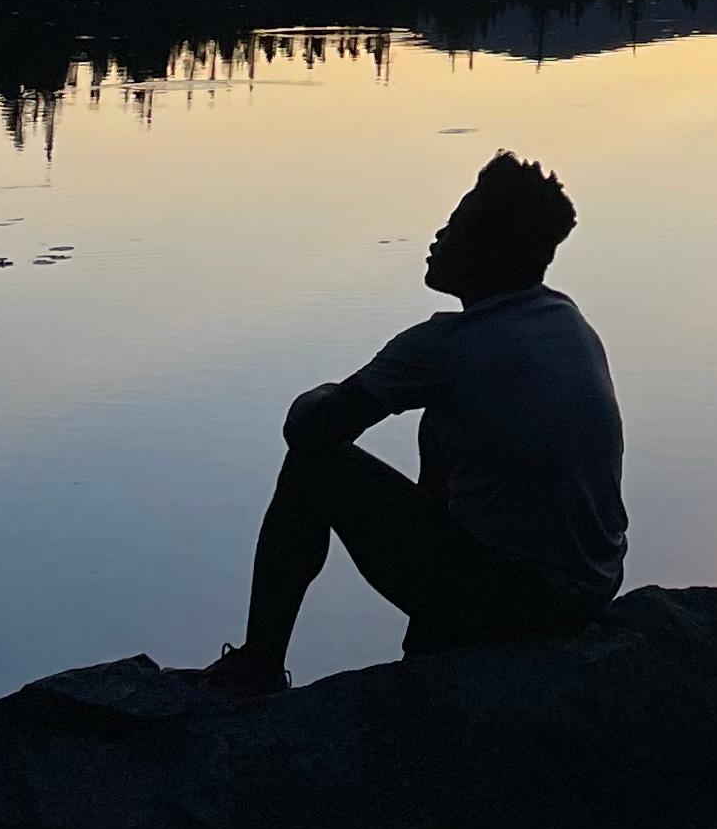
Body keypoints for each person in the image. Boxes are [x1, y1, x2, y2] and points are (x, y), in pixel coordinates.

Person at [183, 151, 623, 697]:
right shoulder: (568, 323)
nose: (439, 234)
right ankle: (435, 645)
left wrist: (320, 393)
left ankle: (260, 664)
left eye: (458, 225)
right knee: (444, 431)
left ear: (491, 248)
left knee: (314, 467)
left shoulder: (446, 347)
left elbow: (312, 431)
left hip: (519, 600)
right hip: (589, 590)